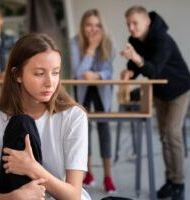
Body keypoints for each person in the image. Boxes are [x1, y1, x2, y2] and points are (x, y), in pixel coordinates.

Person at [0, 33, 91, 199]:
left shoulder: (74, 117)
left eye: (55, 73)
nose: (50, 82)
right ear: (17, 75)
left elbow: (74, 196)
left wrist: (31, 168)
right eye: (39, 73)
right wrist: (15, 197)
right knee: (20, 123)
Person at [121, 6, 190, 200]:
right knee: (163, 136)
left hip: (179, 89)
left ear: (147, 22)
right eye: (128, 24)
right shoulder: (134, 41)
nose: (131, 28)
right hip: (160, 91)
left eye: (135, 23)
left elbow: (154, 69)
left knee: (172, 134)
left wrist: (136, 58)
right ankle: (170, 180)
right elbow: (134, 67)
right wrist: (129, 72)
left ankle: (179, 183)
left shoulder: (162, 39)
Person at [70, 9, 116, 192]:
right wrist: (90, 50)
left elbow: (109, 71)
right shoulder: (75, 42)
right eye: (89, 25)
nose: (93, 29)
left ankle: (108, 176)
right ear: (82, 26)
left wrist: (96, 75)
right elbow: (77, 72)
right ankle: (87, 172)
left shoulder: (108, 42)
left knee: (104, 130)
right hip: (82, 91)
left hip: (101, 90)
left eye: (97, 25)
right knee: (83, 130)